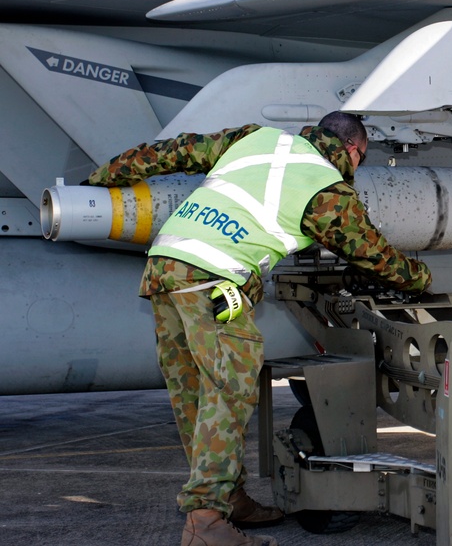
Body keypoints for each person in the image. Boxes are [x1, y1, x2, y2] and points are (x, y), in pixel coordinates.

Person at [87, 112, 432, 546]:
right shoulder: (327, 191)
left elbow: (171, 152)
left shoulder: (257, 139)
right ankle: (206, 522)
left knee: (196, 393)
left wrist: (101, 179)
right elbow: (374, 256)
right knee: (230, 386)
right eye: (360, 159)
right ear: (351, 150)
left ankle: (227, 498)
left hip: (166, 270)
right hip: (215, 280)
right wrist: (419, 278)